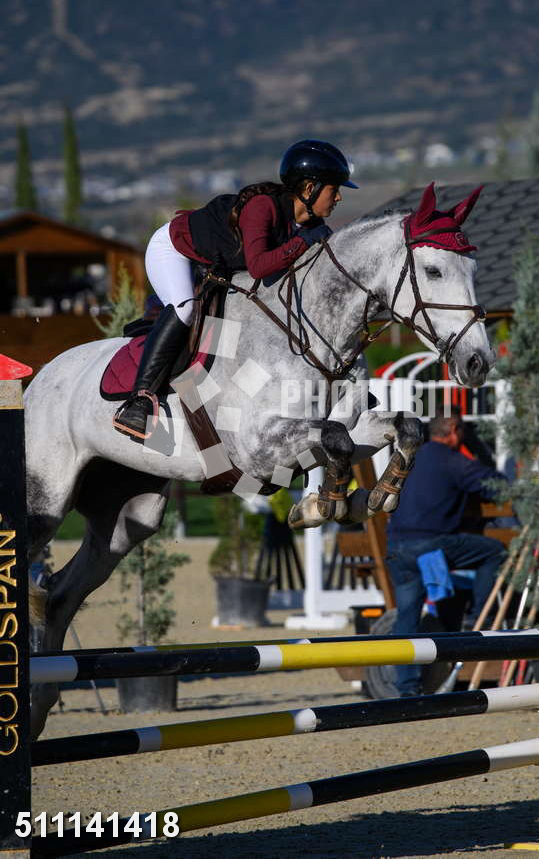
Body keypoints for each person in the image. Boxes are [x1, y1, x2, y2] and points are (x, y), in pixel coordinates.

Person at [113, 140, 358, 440]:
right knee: (185, 308)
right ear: (310, 189)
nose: (339, 197)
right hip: (175, 251)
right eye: (334, 189)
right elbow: (259, 267)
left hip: (216, 267)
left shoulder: (309, 224)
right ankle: (139, 400)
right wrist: (304, 241)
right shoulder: (263, 207)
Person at [386, 407, 508, 696]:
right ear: (453, 431)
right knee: (495, 551)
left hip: (396, 548)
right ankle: (481, 617)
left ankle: (407, 687)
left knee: (407, 620)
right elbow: (497, 486)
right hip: (430, 546)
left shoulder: (409, 459)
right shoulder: (453, 461)